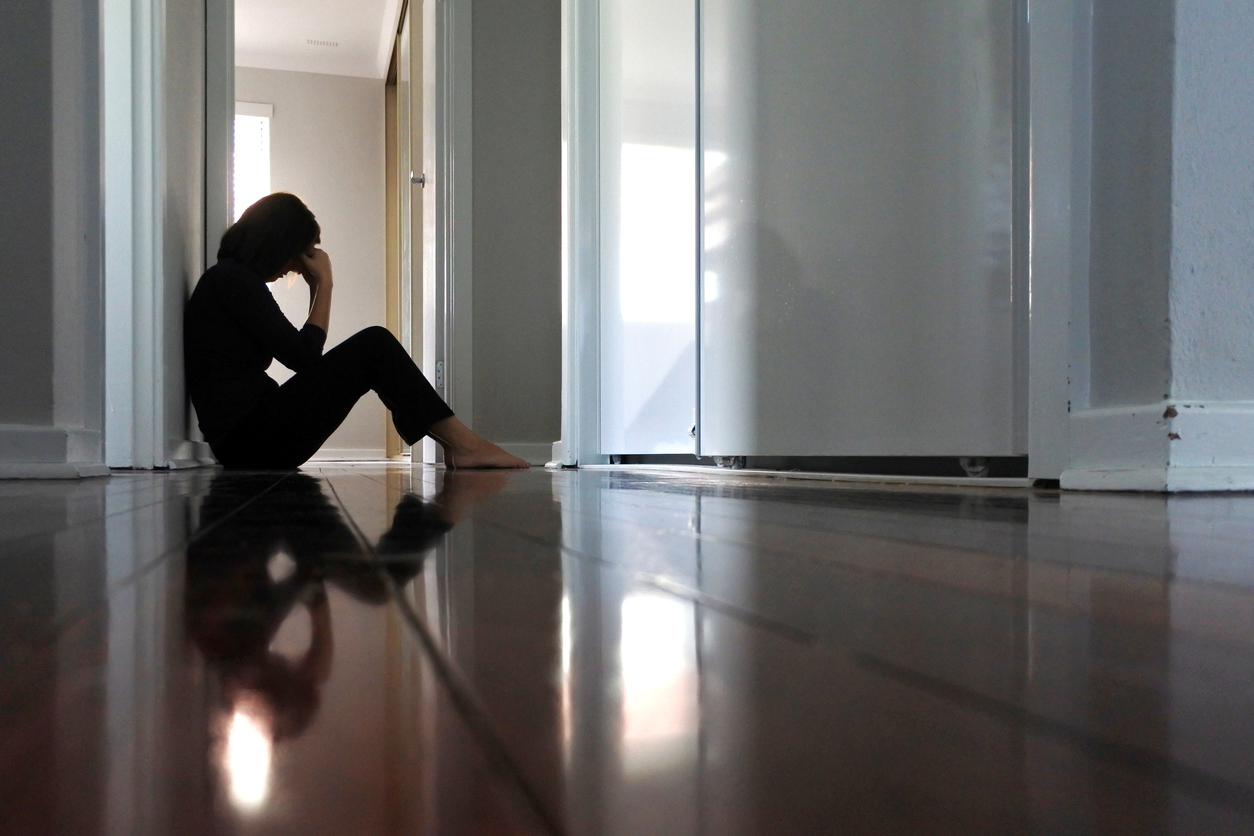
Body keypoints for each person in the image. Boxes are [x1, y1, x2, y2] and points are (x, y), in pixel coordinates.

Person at [184, 192, 528, 470]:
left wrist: (319, 285)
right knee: (374, 344)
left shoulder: (229, 281)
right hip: (250, 442)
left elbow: (302, 356)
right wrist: (325, 284)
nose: (293, 267)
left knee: (373, 346)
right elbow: (304, 357)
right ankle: (462, 444)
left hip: (249, 440)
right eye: (297, 255)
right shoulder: (233, 281)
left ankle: (458, 443)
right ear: (278, 244)